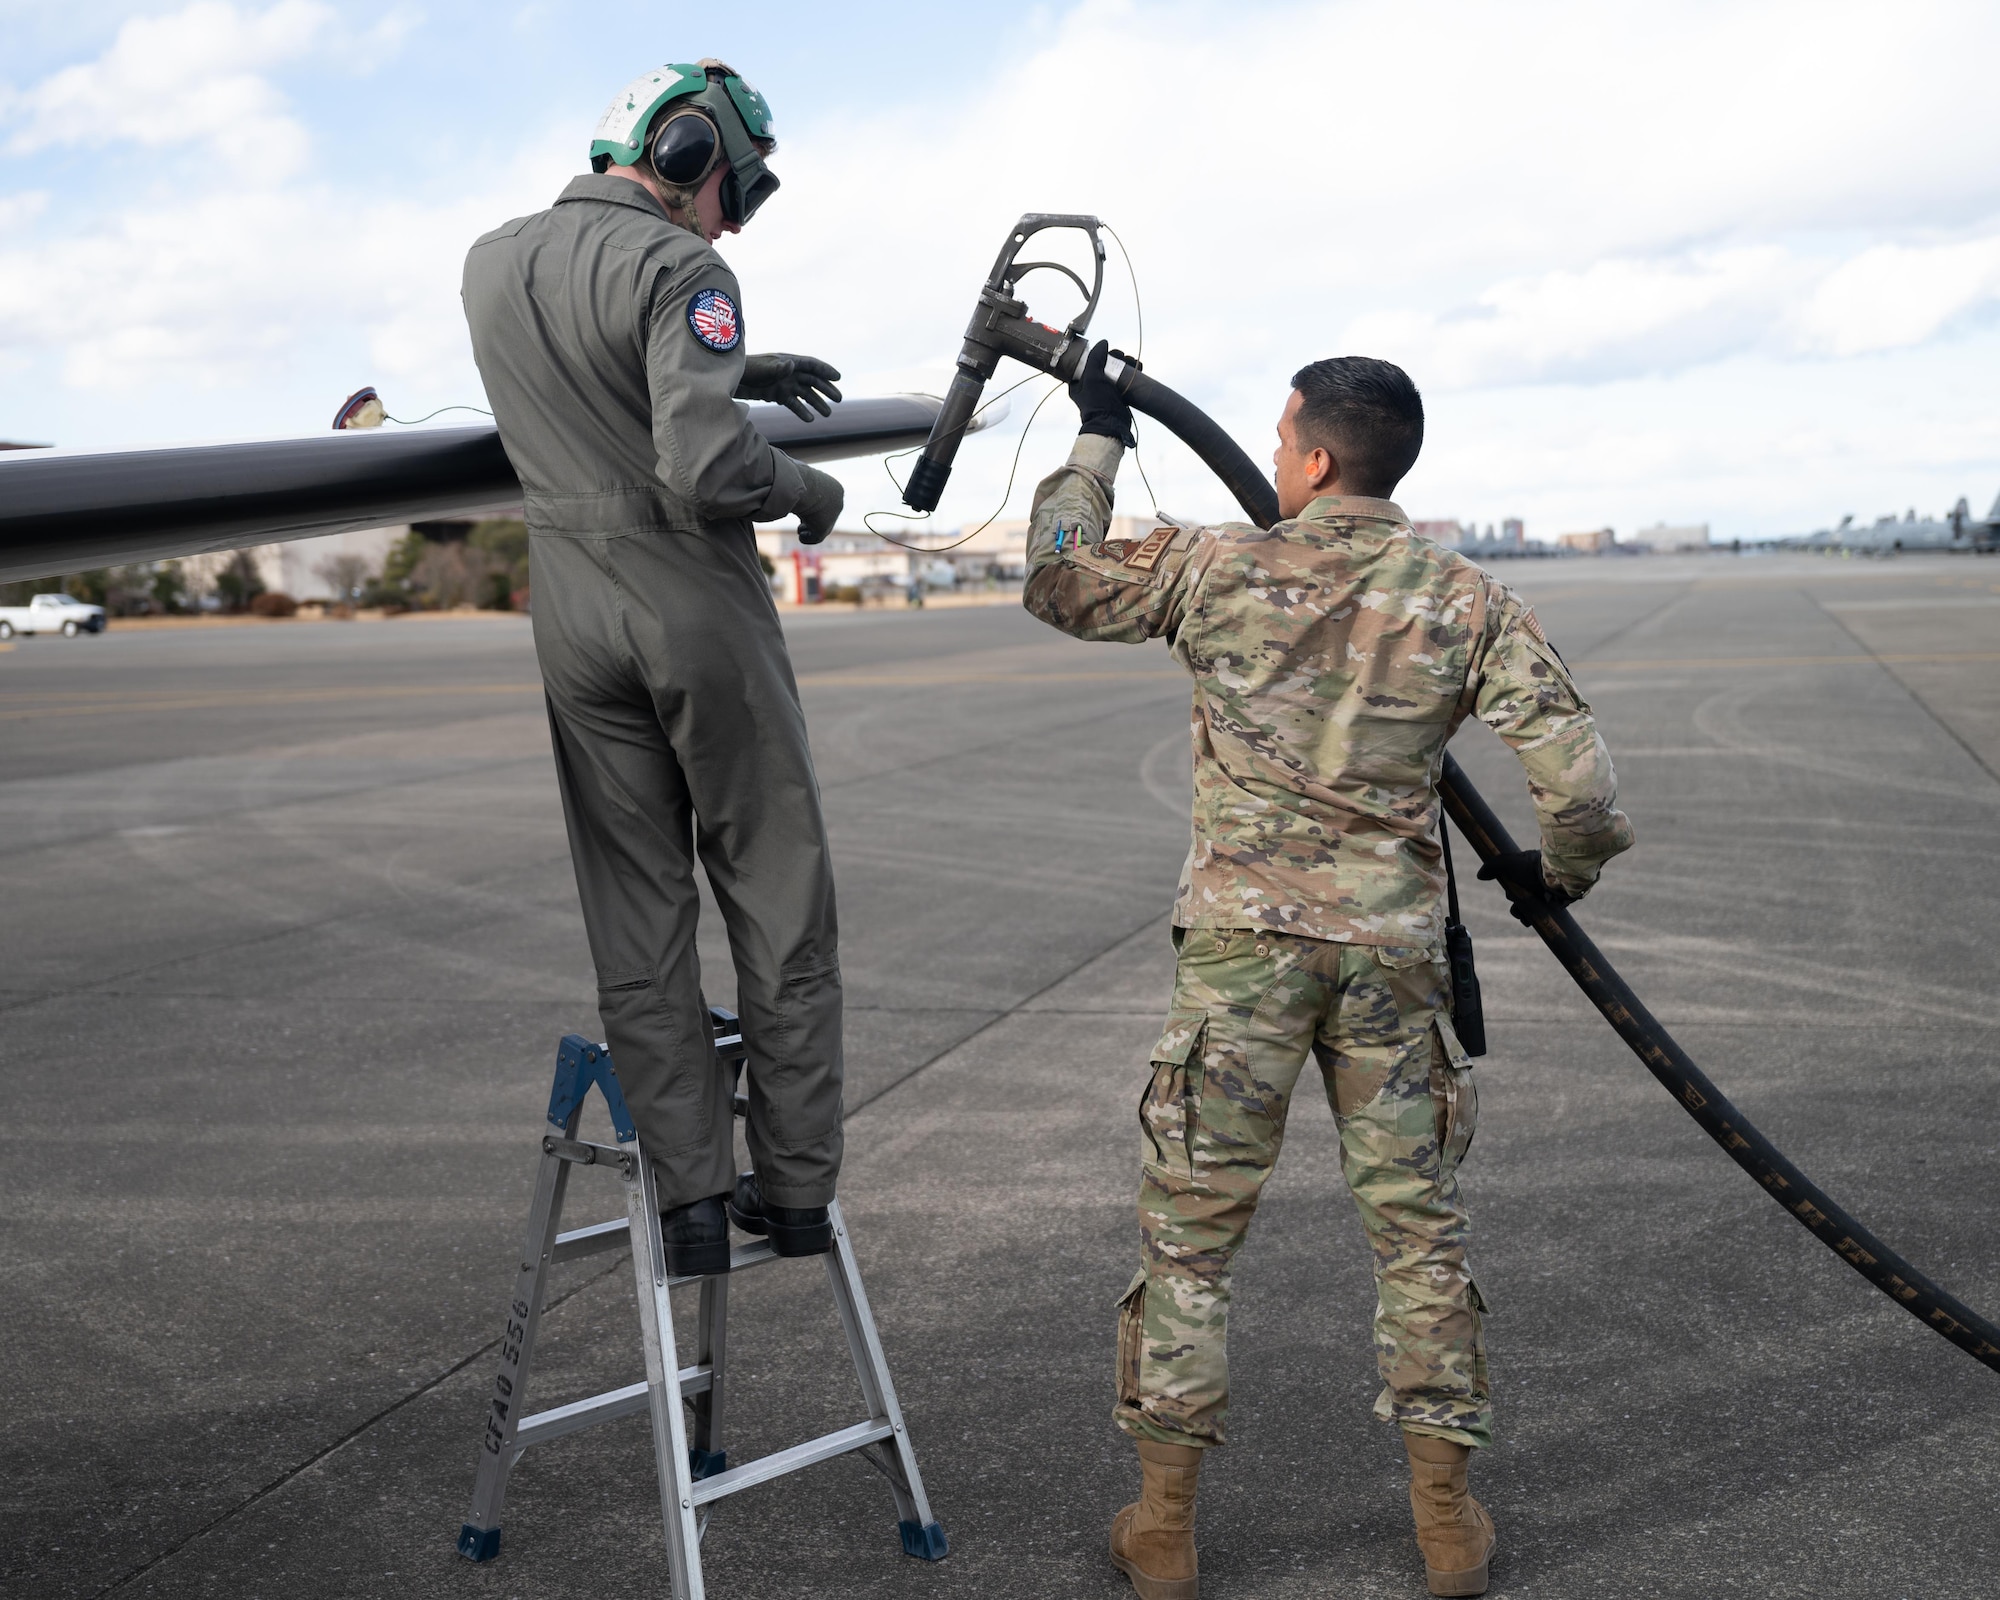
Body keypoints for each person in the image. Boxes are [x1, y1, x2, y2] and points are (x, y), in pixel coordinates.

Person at [1022, 345, 1635, 1599]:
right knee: (1417, 1239)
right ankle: (1446, 1526)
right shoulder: (1462, 596)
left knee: (1190, 1246)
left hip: (1240, 957)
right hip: (1389, 960)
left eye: (1281, 429)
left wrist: (1096, 441)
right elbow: (1582, 788)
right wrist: (1555, 873)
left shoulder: (1214, 564)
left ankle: (1165, 1530)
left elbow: (1056, 577)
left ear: (1305, 456)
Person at [461, 61, 850, 1276]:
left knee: (637, 913)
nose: (729, 216)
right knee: (774, 891)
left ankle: (686, 1202)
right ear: (682, 153)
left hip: (570, 613)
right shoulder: (686, 269)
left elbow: (594, 384)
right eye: (731, 188)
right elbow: (702, 472)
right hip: (690, 600)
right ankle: (789, 1193)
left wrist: (741, 370)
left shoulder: (489, 259)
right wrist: (808, 488)